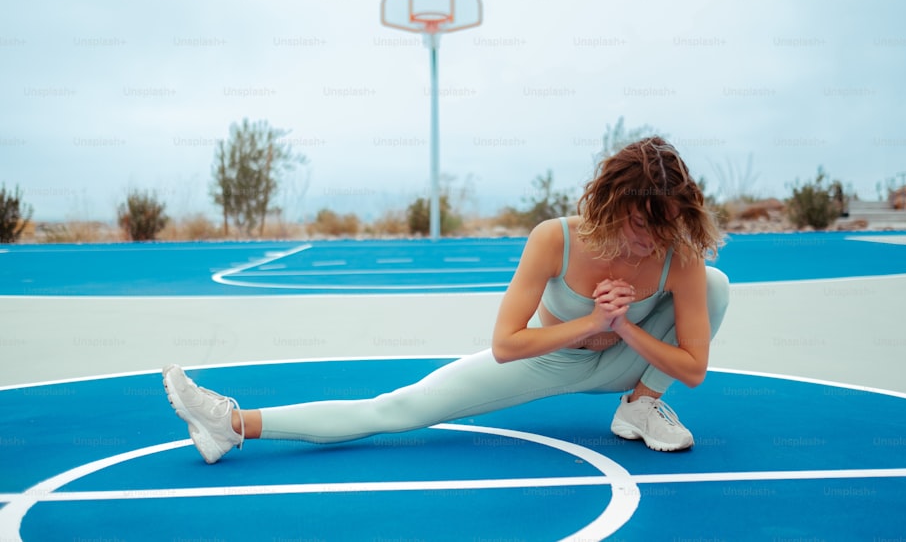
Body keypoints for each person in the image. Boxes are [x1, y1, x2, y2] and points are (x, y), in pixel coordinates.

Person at [163, 137, 730, 464]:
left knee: (714, 284)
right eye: (638, 223)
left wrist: (625, 326)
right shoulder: (555, 238)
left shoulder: (676, 253)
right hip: (548, 357)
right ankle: (231, 424)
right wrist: (594, 320)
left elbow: (695, 369)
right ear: (610, 205)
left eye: (666, 224)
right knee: (396, 409)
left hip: (630, 362)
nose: (649, 240)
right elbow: (507, 345)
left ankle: (639, 405)